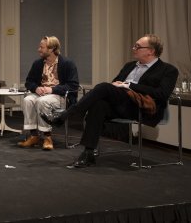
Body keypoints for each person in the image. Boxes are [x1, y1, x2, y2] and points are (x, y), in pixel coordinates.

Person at [42, 34, 178, 168]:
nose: (134, 48)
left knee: (103, 87)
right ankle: (88, 153)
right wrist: (119, 85)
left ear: (151, 51)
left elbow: (162, 94)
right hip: (121, 104)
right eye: (134, 46)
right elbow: (114, 85)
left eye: (138, 46)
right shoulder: (130, 65)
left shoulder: (168, 70)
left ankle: (66, 115)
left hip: (140, 108)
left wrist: (129, 85)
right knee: (99, 104)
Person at [19, 36, 79, 150]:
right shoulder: (38, 63)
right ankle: (34, 136)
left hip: (60, 96)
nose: (39, 49)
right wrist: (36, 88)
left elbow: (73, 85)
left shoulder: (67, 63)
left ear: (51, 49)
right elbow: (29, 82)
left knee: (42, 101)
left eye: (42, 47)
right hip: (41, 93)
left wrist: (52, 90)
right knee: (28, 100)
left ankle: (47, 137)